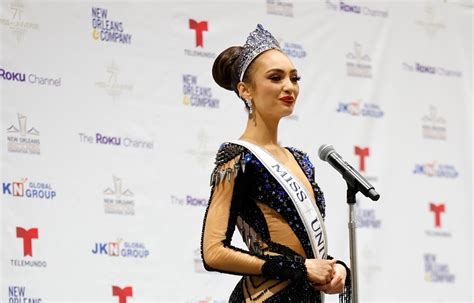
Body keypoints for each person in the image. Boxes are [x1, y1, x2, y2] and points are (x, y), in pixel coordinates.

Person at [200, 24, 351, 303]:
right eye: (275, 77)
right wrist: (300, 267)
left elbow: (301, 250)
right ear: (246, 90)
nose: (289, 87)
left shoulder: (301, 160)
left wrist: (335, 268)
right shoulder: (237, 157)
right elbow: (213, 252)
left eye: (295, 78)